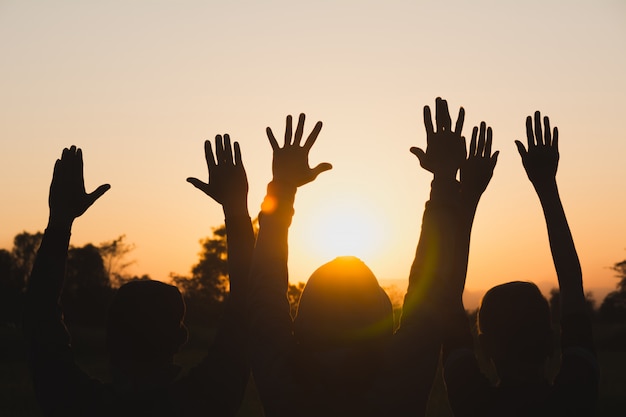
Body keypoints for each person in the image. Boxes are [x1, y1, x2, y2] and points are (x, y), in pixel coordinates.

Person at [248, 99, 473, 416]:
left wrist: (283, 188)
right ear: (382, 324)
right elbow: (432, 285)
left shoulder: (284, 387)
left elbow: (264, 291)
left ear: (302, 324)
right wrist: (446, 178)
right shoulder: (399, 384)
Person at [23, 138, 254, 417]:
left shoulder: (74, 402)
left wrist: (60, 220)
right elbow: (246, 306)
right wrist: (236, 210)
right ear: (180, 339)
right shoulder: (205, 401)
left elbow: (40, 313)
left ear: (110, 339)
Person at [442, 112, 599, 416]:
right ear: (552, 340)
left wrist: (469, 196)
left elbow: (447, 294)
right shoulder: (576, 397)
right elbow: (571, 284)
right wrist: (546, 186)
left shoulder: (472, 403)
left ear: (485, 348)